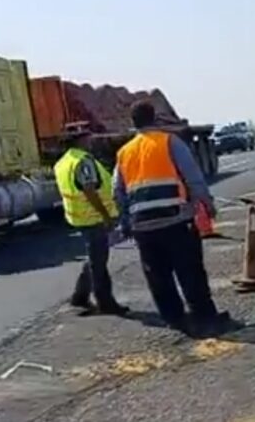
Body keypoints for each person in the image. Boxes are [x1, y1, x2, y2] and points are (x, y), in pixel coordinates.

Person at [113, 101, 229, 335]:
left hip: (143, 226)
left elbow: (118, 191)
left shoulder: (124, 153)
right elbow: (193, 177)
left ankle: (175, 319)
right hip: (176, 220)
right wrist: (207, 204)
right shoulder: (169, 142)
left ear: (133, 124)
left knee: (158, 276)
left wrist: (126, 222)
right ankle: (205, 318)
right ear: (154, 119)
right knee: (190, 271)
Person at [53, 123, 129, 315]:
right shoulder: (83, 161)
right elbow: (90, 190)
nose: (90, 140)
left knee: (94, 258)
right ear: (80, 140)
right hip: (94, 217)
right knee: (99, 263)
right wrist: (106, 216)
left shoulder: (63, 162)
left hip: (80, 217)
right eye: (87, 137)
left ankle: (80, 295)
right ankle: (106, 302)